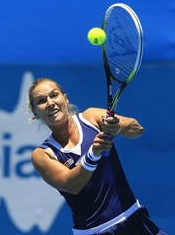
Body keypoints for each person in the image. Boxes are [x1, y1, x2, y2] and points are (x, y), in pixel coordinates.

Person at [28, 78, 167, 235]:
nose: (50, 103)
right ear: (36, 113)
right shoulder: (42, 154)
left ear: (65, 99)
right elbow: (72, 185)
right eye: (41, 101)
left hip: (135, 220)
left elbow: (137, 130)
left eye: (54, 95)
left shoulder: (91, 117)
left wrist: (117, 126)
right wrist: (93, 154)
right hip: (94, 232)